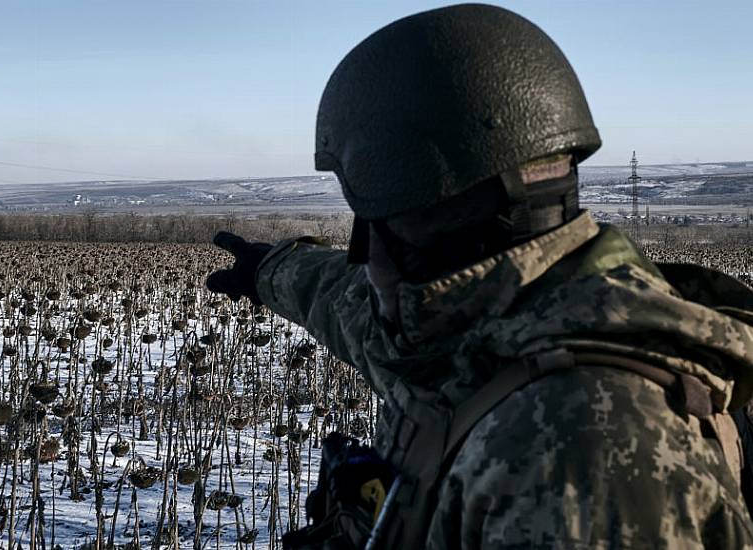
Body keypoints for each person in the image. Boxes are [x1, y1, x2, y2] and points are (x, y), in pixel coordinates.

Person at [206, 4, 753, 549]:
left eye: (375, 221)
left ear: (426, 220)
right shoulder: (483, 330)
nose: (364, 254)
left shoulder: (580, 449)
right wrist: (270, 271)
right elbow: (351, 309)